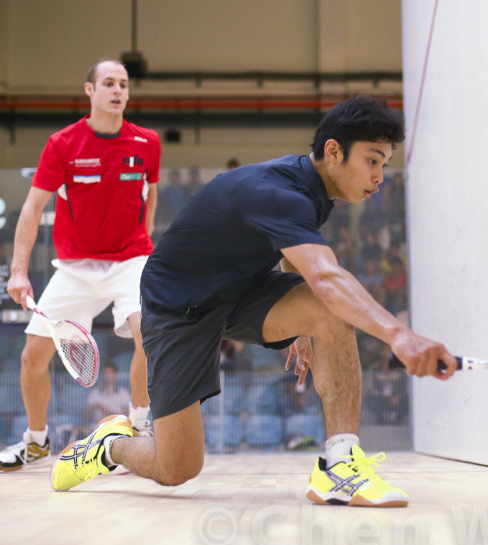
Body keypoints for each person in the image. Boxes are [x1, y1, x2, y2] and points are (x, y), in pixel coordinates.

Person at [49, 97, 456, 507]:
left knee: (329, 314)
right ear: (334, 151)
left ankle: (340, 465)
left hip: (243, 290)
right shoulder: (280, 193)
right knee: (177, 469)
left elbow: (297, 259)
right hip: (178, 308)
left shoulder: (313, 189)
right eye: (372, 160)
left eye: (384, 164)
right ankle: (109, 444)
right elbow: (326, 276)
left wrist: (304, 323)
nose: (380, 176)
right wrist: (400, 336)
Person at [0, 58, 160, 472]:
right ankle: (35, 441)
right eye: (108, 83)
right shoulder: (63, 144)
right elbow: (32, 210)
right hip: (75, 267)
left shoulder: (147, 142)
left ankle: (138, 428)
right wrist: (18, 270)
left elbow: (150, 193)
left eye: (123, 84)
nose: (118, 91)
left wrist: (146, 245)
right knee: (32, 357)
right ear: (90, 91)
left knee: (148, 335)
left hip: (129, 260)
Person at [82, 363, 131, 430]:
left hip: (116, 428)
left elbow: (128, 417)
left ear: (115, 375)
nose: (106, 376)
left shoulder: (123, 394)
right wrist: (95, 406)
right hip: (95, 429)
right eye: (104, 373)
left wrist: (108, 413)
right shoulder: (95, 393)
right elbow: (84, 416)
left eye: (109, 373)